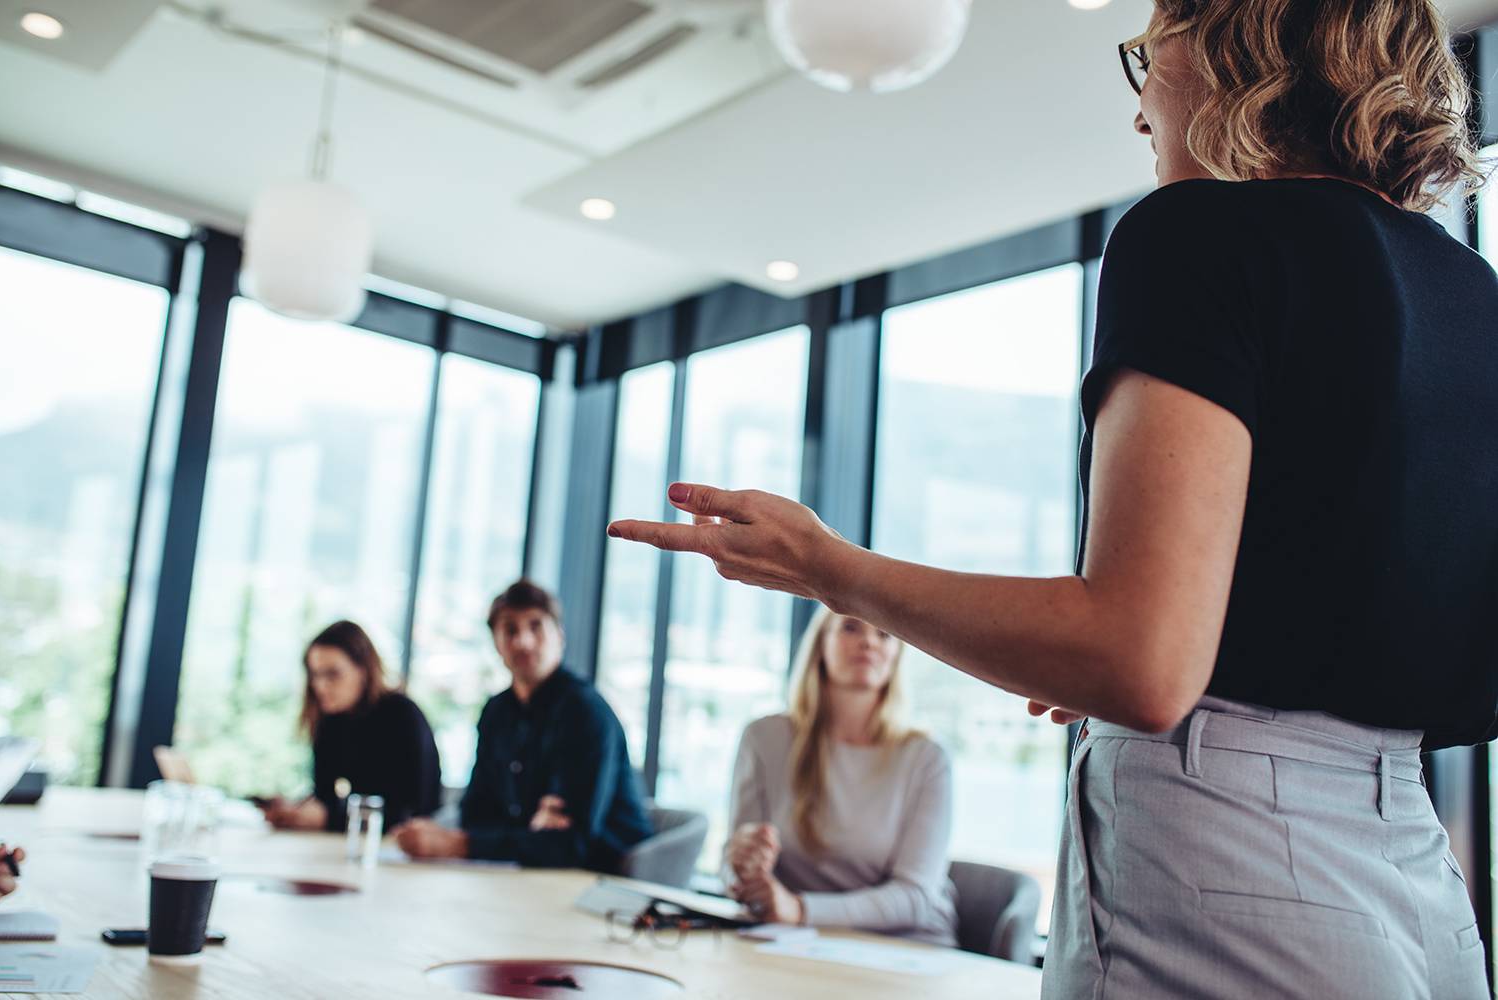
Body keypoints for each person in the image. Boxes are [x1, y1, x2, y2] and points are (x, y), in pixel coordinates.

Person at [609, 0, 1497, 994]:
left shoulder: (1197, 234)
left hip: (1230, 850)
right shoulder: (1472, 292)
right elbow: (1368, 609)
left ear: (1225, 45)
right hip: (1420, 873)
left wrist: (830, 568)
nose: (1139, 110)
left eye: (1142, 57)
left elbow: (1143, 662)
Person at [724, 607, 957, 945]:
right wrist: (740, 869)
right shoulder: (764, 738)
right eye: (850, 628)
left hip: (906, 944)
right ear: (819, 645)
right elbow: (734, 861)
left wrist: (801, 910)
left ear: (896, 654)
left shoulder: (926, 758)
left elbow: (915, 897)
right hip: (793, 940)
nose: (868, 643)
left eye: (884, 634)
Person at [393, 580, 652, 870]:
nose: (523, 641)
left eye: (536, 626)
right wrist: (530, 828)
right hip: (528, 871)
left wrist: (461, 843)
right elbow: (475, 813)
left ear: (560, 636)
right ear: (495, 642)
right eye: (510, 629)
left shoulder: (585, 712)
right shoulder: (496, 711)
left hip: (605, 877)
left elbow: (574, 842)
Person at [260, 621, 442, 833]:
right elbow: (324, 795)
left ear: (363, 670)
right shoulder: (330, 721)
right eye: (315, 674)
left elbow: (413, 809)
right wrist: (299, 811)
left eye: (332, 674)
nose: (319, 686)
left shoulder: (403, 715)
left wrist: (327, 817)